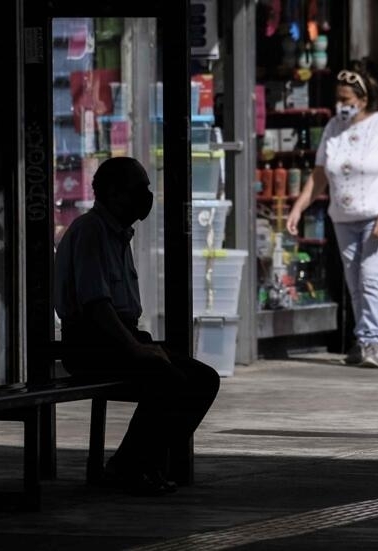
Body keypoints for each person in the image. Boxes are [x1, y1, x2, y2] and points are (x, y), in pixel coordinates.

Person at [53, 156, 220, 496]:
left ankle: (142, 462)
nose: (146, 196)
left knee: (203, 379)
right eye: (138, 189)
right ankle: (127, 468)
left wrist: (138, 343)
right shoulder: (90, 231)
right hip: (92, 343)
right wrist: (135, 348)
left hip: (120, 336)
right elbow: (96, 305)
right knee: (169, 380)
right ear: (114, 194)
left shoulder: (118, 234)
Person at [286, 63, 378, 369]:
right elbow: (318, 176)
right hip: (343, 217)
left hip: (377, 215)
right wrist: (299, 207)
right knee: (355, 281)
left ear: (363, 100)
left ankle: (372, 342)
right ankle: (362, 337)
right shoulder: (332, 128)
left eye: (347, 99)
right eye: (338, 99)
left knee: (371, 275)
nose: (341, 105)